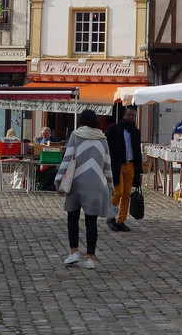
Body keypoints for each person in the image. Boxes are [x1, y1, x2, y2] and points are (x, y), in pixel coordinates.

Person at [55, 108, 114, 270]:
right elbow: (107, 165)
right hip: (96, 185)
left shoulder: (76, 135)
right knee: (91, 222)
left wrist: (58, 179)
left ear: (81, 120)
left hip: (77, 182)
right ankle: (89, 258)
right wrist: (110, 186)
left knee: (73, 217)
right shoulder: (103, 138)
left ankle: (74, 252)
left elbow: (67, 160)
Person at [105, 106, 143, 233]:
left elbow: (138, 152)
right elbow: (107, 145)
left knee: (127, 194)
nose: (131, 118)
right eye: (129, 115)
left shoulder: (135, 132)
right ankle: (111, 217)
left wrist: (140, 172)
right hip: (118, 165)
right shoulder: (115, 129)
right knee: (118, 192)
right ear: (124, 115)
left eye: (133, 115)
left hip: (131, 165)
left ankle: (121, 220)